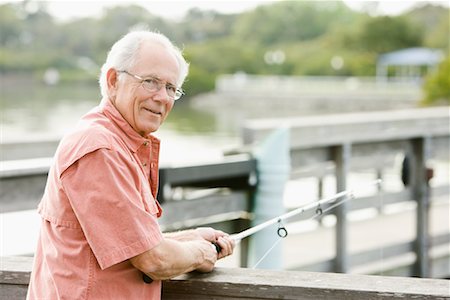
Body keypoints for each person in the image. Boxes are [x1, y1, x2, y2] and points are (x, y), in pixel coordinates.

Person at [27, 29, 235, 299]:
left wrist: (192, 237)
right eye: (150, 82)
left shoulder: (117, 142)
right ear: (113, 80)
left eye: (171, 88)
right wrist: (201, 253)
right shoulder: (99, 148)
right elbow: (153, 260)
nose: (162, 97)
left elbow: (132, 245)